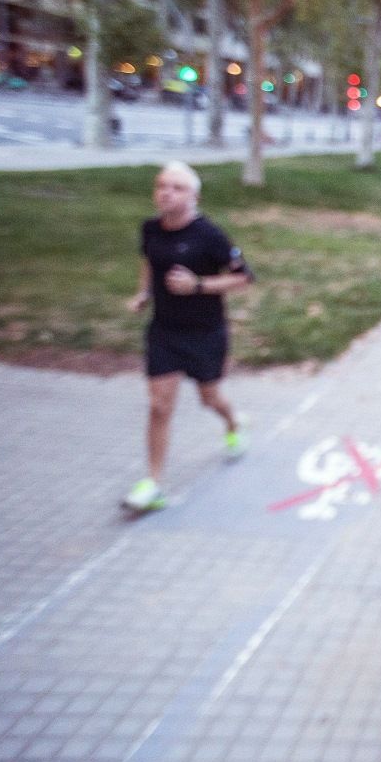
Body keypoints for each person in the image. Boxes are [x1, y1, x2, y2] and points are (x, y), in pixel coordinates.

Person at [122, 161, 253, 511]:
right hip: (164, 331)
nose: (166, 192)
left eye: (176, 188)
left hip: (205, 333)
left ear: (194, 196)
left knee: (209, 399)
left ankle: (234, 421)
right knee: (159, 406)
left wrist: (198, 285)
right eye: (161, 186)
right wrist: (144, 294)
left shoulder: (210, 235)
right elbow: (149, 263)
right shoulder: (150, 228)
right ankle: (153, 484)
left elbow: (243, 278)